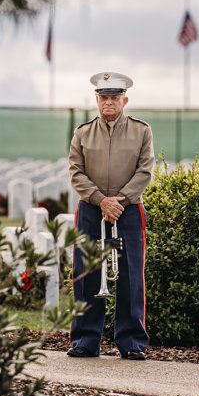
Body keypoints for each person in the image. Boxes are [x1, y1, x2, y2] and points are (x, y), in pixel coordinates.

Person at [67, 71, 154, 360]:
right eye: (104, 97)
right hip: (91, 210)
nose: (109, 102)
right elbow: (75, 172)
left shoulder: (141, 131)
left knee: (130, 275)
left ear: (124, 100)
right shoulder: (82, 133)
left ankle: (132, 342)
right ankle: (85, 340)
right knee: (87, 275)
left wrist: (120, 200)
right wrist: (101, 200)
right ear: (97, 100)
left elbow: (145, 171)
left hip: (127, 211)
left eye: (114, 97)